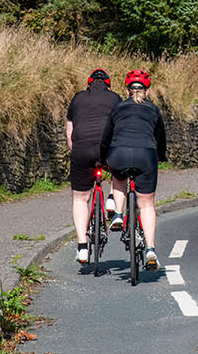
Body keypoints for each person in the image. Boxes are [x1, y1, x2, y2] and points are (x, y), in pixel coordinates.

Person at [99, 68, 167, 269]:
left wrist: (105, 160)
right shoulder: (153, 110)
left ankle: (118, 213)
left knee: (118, 178)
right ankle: (150, 249)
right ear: (147, 92)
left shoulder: (118, 108)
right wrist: (161, 157)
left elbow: (106, 137)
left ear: (127, 91)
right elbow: (160, 138)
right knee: (146, 205)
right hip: (145, 155)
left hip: (118, 152)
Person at [65, 69, 121, 264]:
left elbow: (70, 134)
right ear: (108, 84)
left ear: (89, 84)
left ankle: (82, 247)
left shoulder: (77, 99)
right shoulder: (115, 98)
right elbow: (120, 129)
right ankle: (112, 200)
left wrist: (76, 152)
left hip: (82, 150)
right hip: (107, 149)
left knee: (80, 199)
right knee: (118, 170)